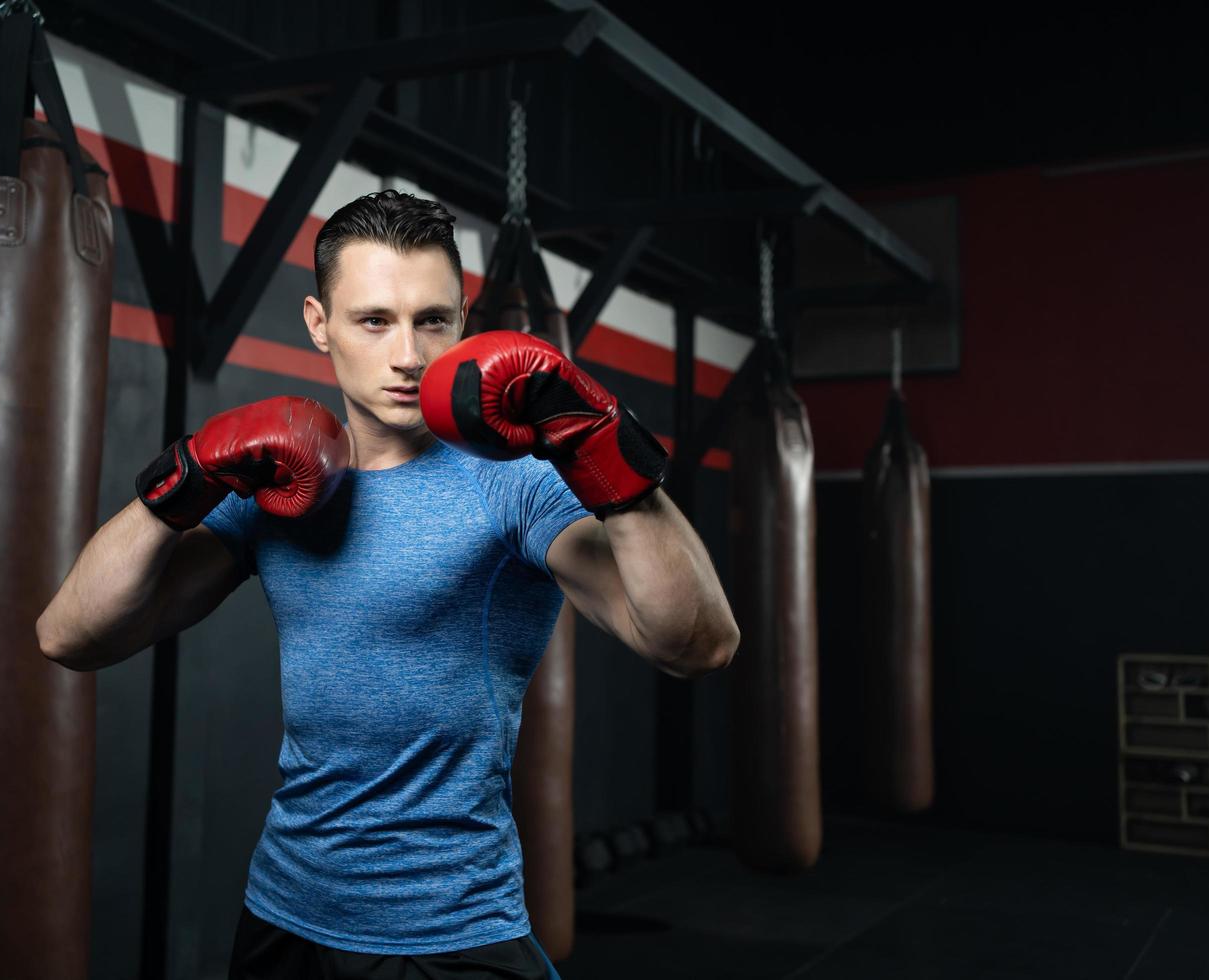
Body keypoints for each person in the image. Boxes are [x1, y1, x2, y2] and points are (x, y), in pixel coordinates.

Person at [36, 189, 740, 980]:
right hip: (283, 917)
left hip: (452, 934)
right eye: (374, 321)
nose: (408, 353)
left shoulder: (513, 487)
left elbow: (698, 642)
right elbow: (69, 634)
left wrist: (605, 453)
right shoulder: (279, 486)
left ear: (463, 322)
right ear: (318, 322)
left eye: (432, 320)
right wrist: (187, 475)